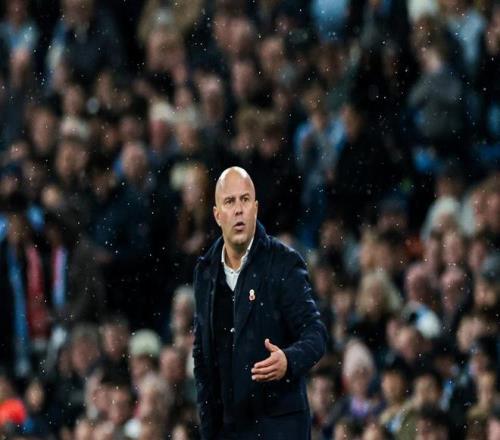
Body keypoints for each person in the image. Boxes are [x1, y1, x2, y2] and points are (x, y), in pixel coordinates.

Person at [192, 167, 327, 439]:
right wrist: (208, 429)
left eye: (245, 200)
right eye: (229, 202)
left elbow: (316, 335)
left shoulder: (283, 263)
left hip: (279, 429)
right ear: (217, 215)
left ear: (255, 208)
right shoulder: (205, 271)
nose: (238, 210)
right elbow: (203, 357)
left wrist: (288, 360)